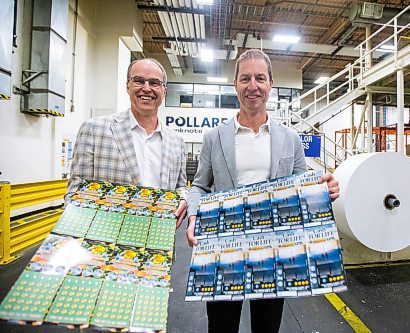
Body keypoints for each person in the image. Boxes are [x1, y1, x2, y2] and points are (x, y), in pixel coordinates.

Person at [186, 49, 340, 333]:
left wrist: (324, 188)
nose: (252, 86)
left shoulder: (290, 138)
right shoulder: (214, 137)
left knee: (267, 326)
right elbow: (199, 185)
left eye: (260, 78)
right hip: (224, 248)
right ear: (235, 84)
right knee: (221, 326)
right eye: (245, 78)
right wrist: (194, 215)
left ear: (270, 84)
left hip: (274, 251)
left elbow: (300, 184)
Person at [65, 58, 187, 226]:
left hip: (159, 238)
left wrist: (183, 199)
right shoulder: (94, 129)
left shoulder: (176, 141)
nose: (146, 88)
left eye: (154, 83)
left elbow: (181, 187)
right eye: (138, 81)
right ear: (127, 86)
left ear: (164, 91)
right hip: (105, 240)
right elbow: (76, 191)